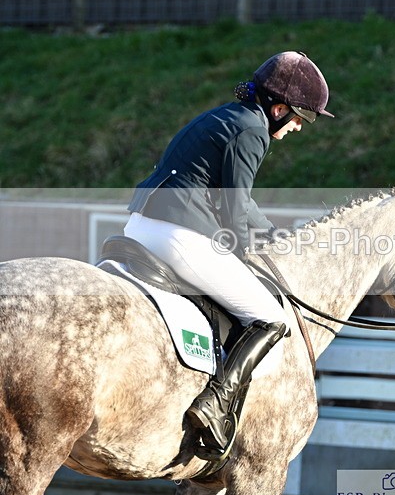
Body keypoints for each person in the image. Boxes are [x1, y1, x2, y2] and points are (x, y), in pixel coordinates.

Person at [124, 51, 334, 460]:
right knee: (271, 316)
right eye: (300, 119)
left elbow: (237, 199)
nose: (298, 128)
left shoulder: (227, 117)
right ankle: (217, 401)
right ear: (279, 108)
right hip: (180, 234)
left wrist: (272, 233)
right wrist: (245, 254)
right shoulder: (252, 132)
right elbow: (235, 211)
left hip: (142, 224)